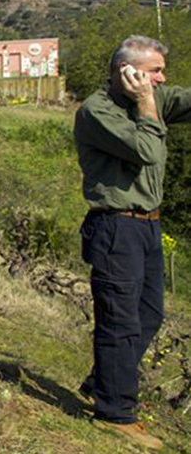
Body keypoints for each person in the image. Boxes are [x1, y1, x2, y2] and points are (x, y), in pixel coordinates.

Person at [74, 35, 191, 450]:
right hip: (116, 227)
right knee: (120, 320)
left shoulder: (151, 96)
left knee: (149, 314)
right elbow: (147, 149)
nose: (162, 79)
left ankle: (104, 380)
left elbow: (185, 99)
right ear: (128, 71)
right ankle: (115, 413)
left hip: (148, 226)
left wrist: (150, 97)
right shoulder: (98, 111)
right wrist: (146, 102)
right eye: (155, 71)